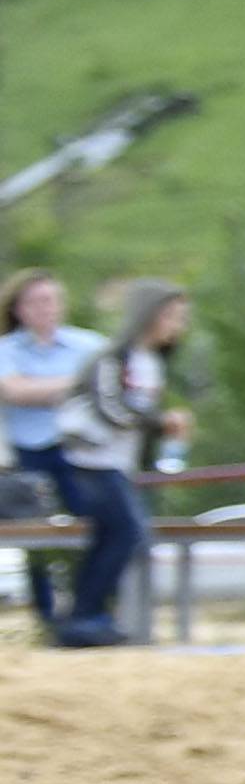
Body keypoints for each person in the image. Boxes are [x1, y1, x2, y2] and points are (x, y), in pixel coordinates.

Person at [40, 282, 193, 644]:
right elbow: (111, 409)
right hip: (93, 462)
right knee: (125, 533)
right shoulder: (112, 358)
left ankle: (89, 615)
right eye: (171, 315)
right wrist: (160, 423)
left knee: (117, 535)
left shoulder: (150, 363)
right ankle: (84, 615)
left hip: (119, 464)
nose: (178, 325)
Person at [0, 267, 99, 632]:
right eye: (35, 301)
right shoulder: (7, 349)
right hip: (30, 453)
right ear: (19, 309)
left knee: (92, 530)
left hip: (80, 451)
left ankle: (88, 610)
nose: (44, 308)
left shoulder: (88, 344)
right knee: (36, 538)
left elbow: (108, 389)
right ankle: (48, 617)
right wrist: (75, 387)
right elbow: (13, 392)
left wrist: (37, 389)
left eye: (50, 299)